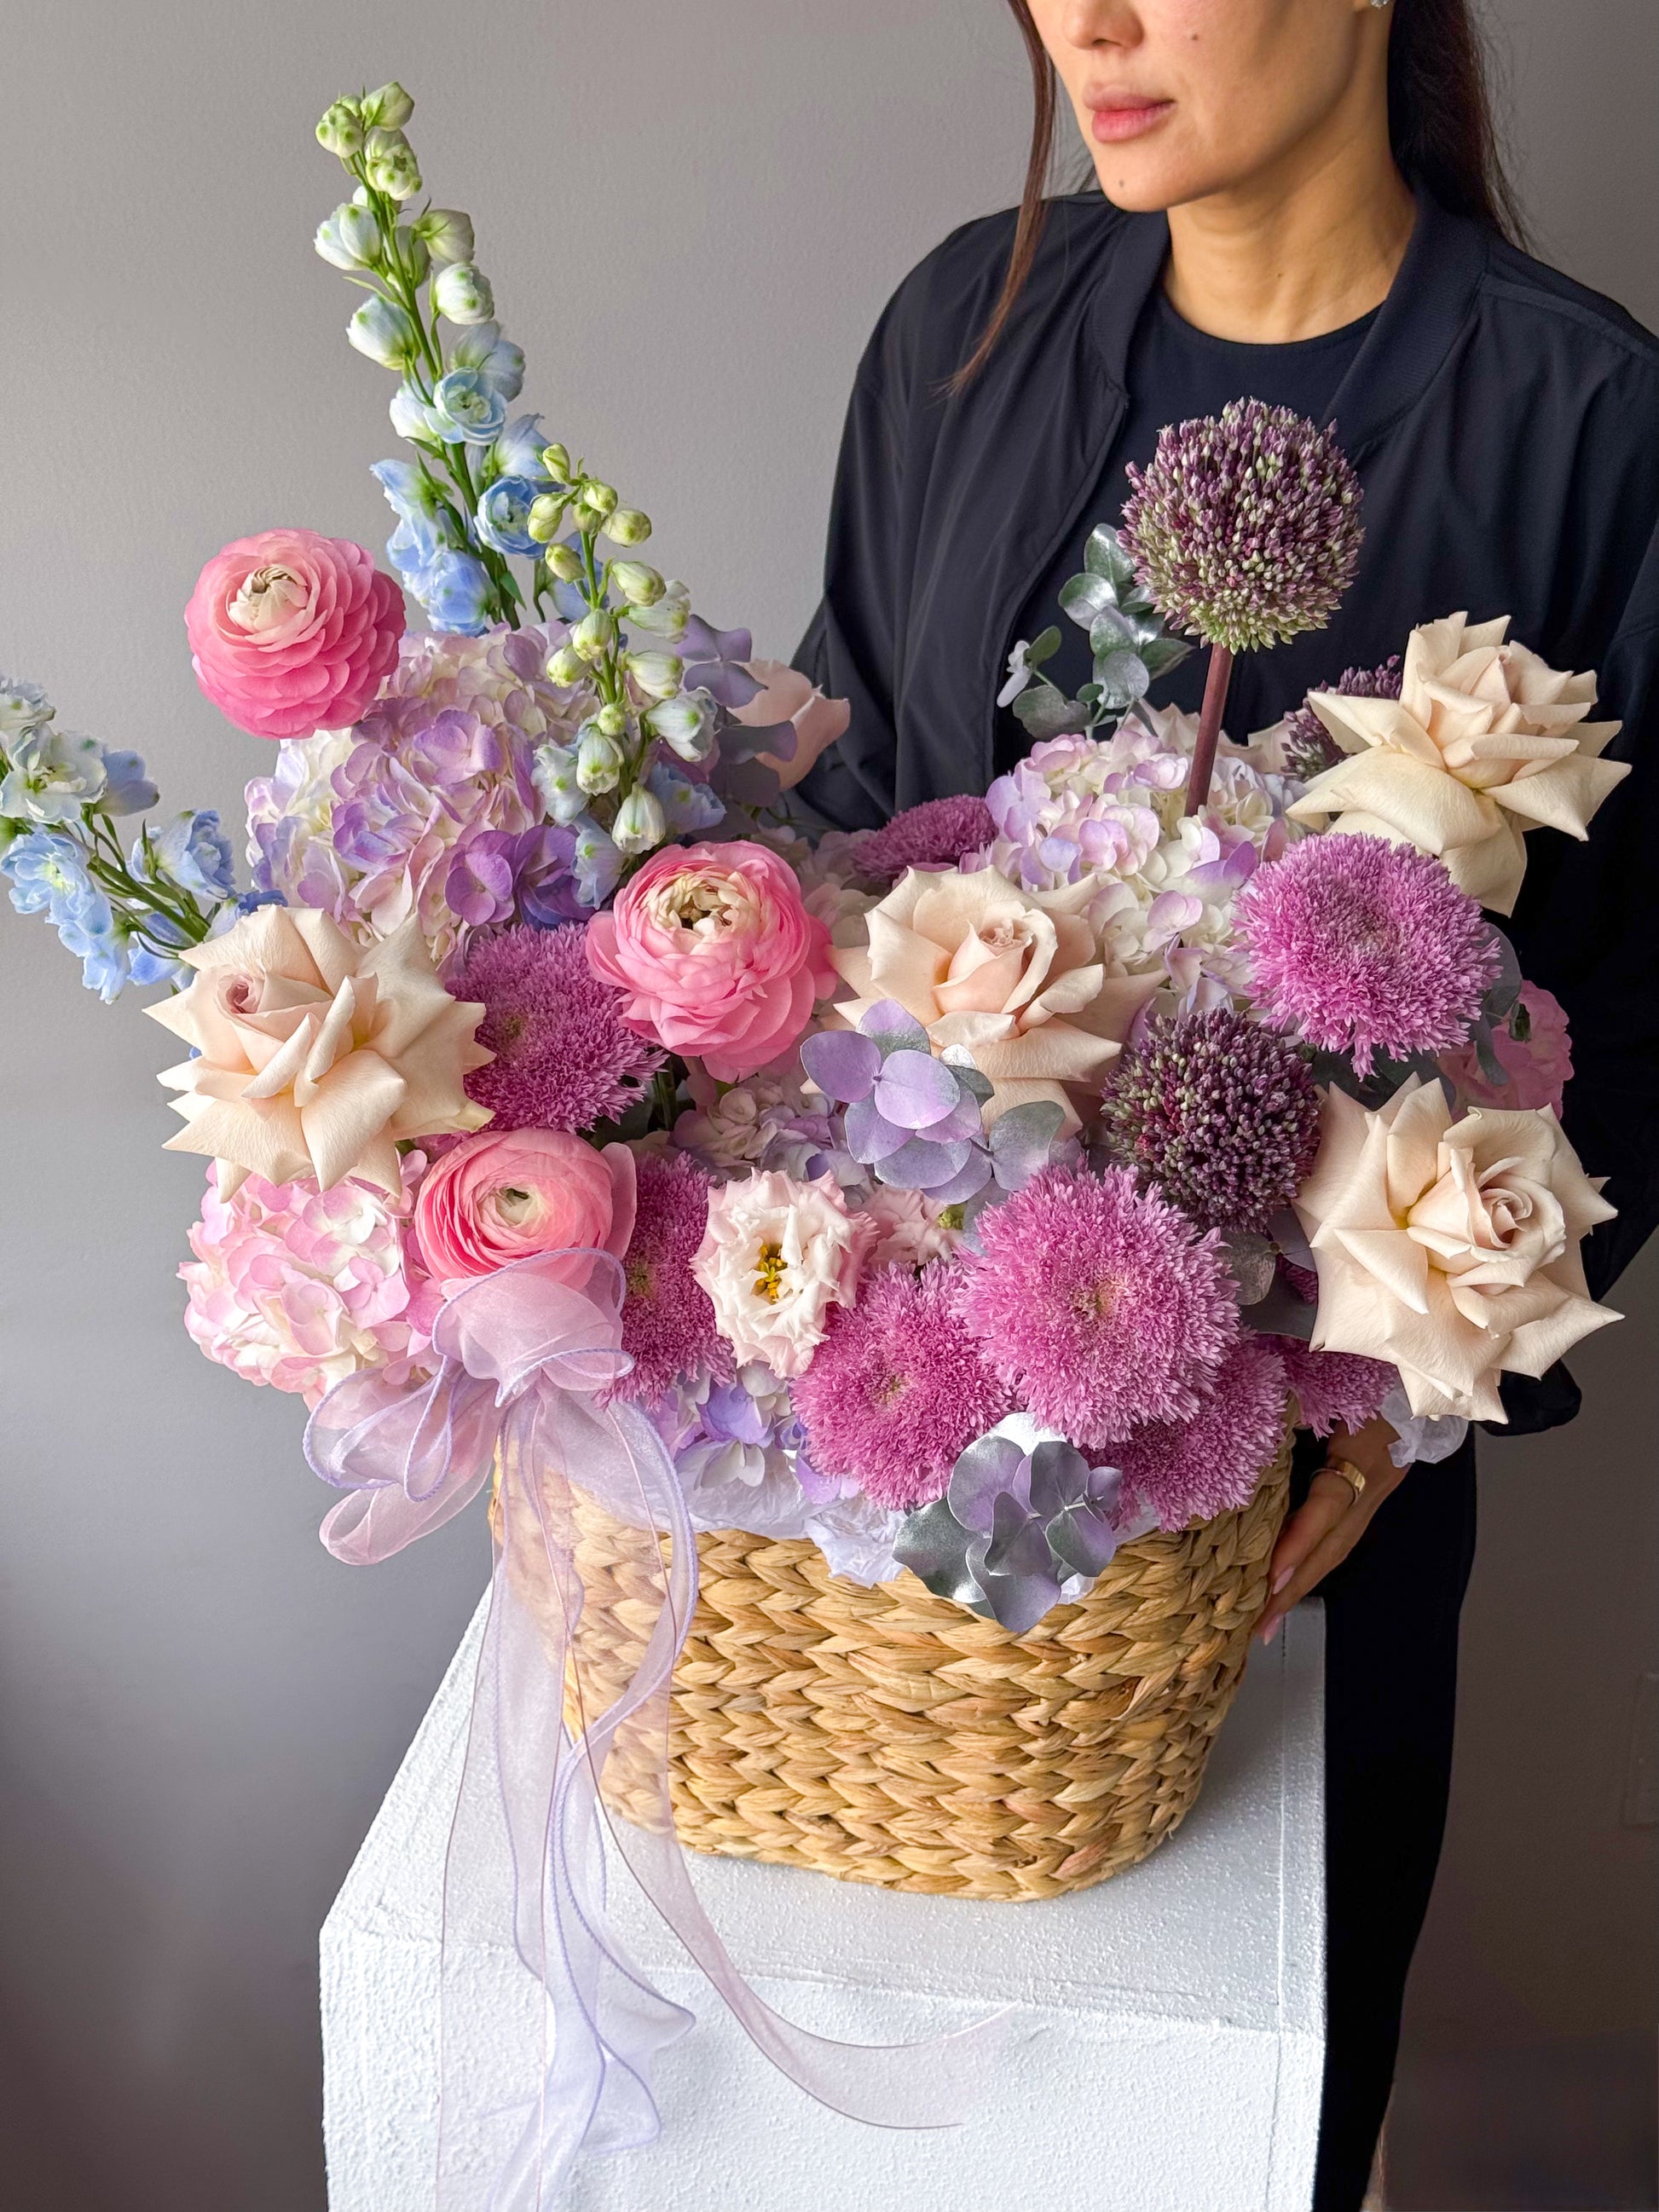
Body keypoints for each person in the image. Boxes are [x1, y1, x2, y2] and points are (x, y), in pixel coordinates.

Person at [792, 3, 1659, 2204]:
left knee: (1242, 2123)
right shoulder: (959, 335)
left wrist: (1389, 1399)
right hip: (936, 1523)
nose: (1088, 15)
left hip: (1302, 1522)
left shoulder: (1583, 416)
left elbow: (1644, 996)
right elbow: (862, 826)